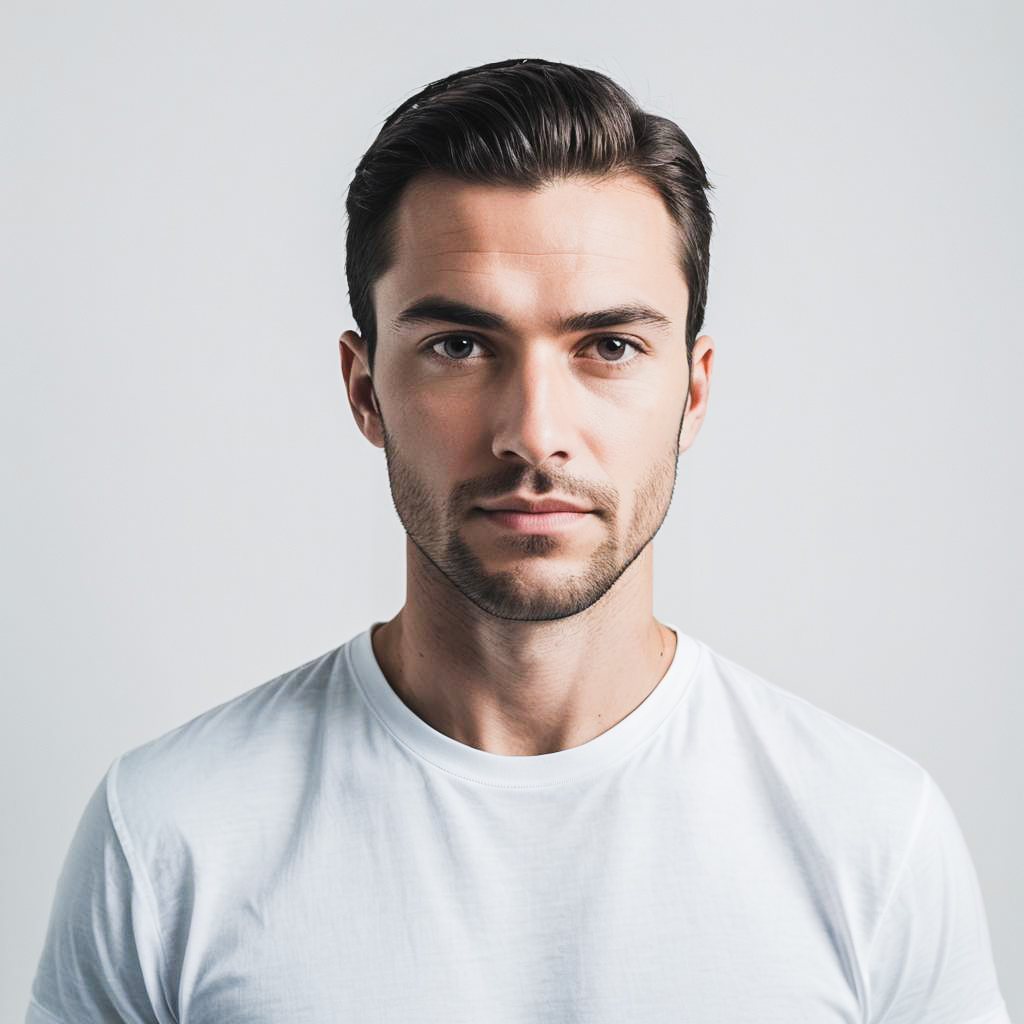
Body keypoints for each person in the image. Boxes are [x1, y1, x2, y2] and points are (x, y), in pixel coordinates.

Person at [26, 57, 1010, 1023]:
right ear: (366, 389)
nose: (534, 431)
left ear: (693, 389)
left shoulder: (871, 838)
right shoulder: (169, 836)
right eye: (458, 345)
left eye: (608, 347)